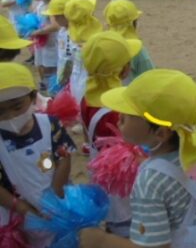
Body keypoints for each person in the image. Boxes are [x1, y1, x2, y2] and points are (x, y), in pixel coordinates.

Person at [80, 68, 196, 247]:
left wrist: (101, 240)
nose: (119, 119)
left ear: (161, 133)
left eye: (128, 115)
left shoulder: (149, 183)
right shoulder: (193, 152)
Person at [0, 62, 76, 247]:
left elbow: (63, 158)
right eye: (0, 111)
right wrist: (23, 209)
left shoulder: (50, 124)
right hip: (15, 212)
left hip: (54, 203)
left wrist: (54, 196)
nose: (10, 116)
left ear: (33, 97)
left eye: (17, 107)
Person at [81, 31, 142, 237]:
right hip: (122, 188)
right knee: (127, 229)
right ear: (123, 70)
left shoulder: (87, 97)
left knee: (113, 223)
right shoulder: (116, 111)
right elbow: (128, 156)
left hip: (100, 175)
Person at [103, 0, 155, 83]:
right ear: (133, 23)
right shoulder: (137, 48)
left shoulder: (101, 43)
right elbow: (150, 75)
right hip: (130, 93)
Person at [63, 0, 103, 105]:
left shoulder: (69, 35)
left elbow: (67, 59)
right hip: (93, 82)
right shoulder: (98, 37)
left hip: (75, 80)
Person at [29, 0, 61, 93]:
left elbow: (55, 25)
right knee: (40, 65)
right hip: (42, 44)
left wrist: (38, 32)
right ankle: (45, 86)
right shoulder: (40, 4)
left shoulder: (51, 5)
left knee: (50, 68)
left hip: (51, 44)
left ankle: (51, 90)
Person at [42, 0, 75, 89]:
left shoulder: (73, 34)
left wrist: (63, 80)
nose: (55, 19)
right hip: (61, 75)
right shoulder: (62, 30)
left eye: (57, 16)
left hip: (69, 80)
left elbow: (70, 60)